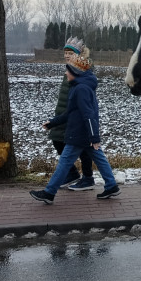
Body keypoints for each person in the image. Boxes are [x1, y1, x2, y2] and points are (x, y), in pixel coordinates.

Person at [30, 51, 120, 204]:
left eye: (68, 70)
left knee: (64, 162)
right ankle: (111, 186)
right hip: (84, 134)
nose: (66, 73)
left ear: (75, 72)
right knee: (100, 158)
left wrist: (94, 137)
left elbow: (89, 115)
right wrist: (52, 123)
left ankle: (49, 193)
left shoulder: (81, 89)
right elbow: (70, 113)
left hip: (79, 135)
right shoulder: (79, 87)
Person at [49, 38, 95, 190]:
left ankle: (87, 178)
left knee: (83, 146)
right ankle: (73, 173)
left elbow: (83, 91)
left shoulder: (81, 68)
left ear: (78, 54)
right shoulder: (69, 67)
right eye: (65, 53)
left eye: (70, 53)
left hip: (73, 112)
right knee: (57, 139)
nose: (67, 56)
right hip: (64, 111)